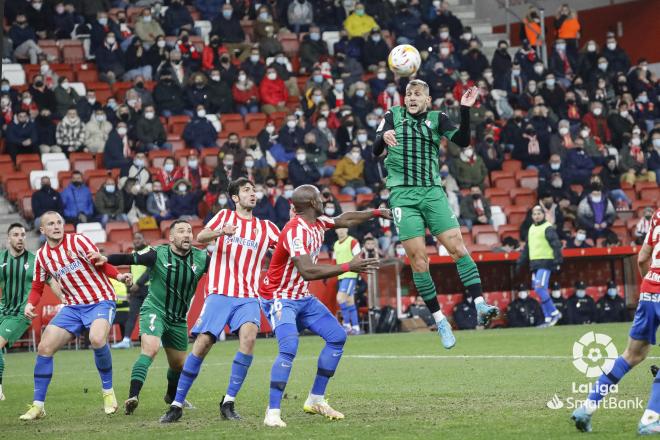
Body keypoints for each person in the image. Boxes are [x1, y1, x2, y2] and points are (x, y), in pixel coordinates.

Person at [374, 80, 498, 349]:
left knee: (457, 247)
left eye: (417, 94)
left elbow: (463, 141)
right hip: (403, 197)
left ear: (428, 100)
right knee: (419, 261)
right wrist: (382, 138)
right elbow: (374, 150)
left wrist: (465, 110)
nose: (411, 98)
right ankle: (440, 319)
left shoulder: (437, 118)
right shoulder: (391, 115)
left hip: (432, 192)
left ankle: (480, 304)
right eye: (408, 94)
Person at [260, 185, 384, 427]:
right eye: (319, 197)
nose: (323, 200)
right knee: (289, 347)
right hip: (279, 296)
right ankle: (272, 412)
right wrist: (348, 267)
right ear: (312, 204)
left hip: (301, 297)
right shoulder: (295, 231)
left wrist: (376, 213)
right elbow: (307, 270)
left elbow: (345, 218)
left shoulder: (318, 221)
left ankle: (315, 399)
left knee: (337, 336)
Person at [160, 178, 280, 422]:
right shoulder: (225, 216)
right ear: (235, 197)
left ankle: (228, 402)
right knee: (203, 344)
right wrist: (220, 232)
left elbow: (285, 249)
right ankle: (176, 403)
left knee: (249, 338)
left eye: (254, 190)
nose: (252, 193)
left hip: (247, 295)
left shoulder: (266, 227)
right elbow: (201, 236)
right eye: (246, 190)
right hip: (220, 292)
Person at [19, 212, 132, 420]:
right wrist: (30, 304)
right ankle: (38, 405)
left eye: (59, 222)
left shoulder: (78, 241)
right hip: (72, 307)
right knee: (44, 347)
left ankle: (108, 392)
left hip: (100, 299)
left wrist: (120, 276)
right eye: (51, 224)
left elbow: (101, 263)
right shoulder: (42, 256)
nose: (56, 226)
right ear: (42, 230)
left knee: (97, 339)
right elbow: (36, 287)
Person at [95, 221, 209, 415]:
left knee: (179, 365)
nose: (187, 235)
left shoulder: (202, 258)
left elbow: (226, 270)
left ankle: (171, 396)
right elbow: (128, 257)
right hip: (155, 309)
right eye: (181, 231)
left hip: (178, 318)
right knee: (151, 348)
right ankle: (133, 395)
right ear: (171, 238)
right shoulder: (157, 253)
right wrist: (105, 258)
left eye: (190, 231)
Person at [571, 208, 660, 433]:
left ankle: (586, 408)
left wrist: (652, 285)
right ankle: (651, 419)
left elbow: (642, 258)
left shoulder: (658, 213)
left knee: (632, 355)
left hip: (650, 288)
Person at [0, 224, 37, 401]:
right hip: (2, 311)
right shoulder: (1, 259)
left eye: (23, 234)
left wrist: (65, 298)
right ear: (9, 238)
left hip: (21, 314)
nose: (20, 238)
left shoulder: (34, 261)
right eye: (16, 235)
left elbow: (51, 282)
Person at [516, 206, 564, 327]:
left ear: (543, 214)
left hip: (545, 262)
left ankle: (554, 312)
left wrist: (558, 261)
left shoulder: (548, 228)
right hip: (535, 264)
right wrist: (520, 262)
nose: (536, 216)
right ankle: (547, 317)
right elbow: (527, 248)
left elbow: (556, 245)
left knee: (540, 288)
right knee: (539, 290)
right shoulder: (531, 228)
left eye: (539, 213)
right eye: (534, 214)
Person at [111, 233, 151, 349]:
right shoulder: (133, 253)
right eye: (135, 239)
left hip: (149, 288)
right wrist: (129, 289)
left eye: (139, 238)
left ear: (144, 240)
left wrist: (138, 284)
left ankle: (159, 340)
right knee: (131, 315)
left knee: (152, 315)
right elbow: (131, 272)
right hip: (135, 290)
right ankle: (126, 340)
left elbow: (150, 270)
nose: (136, 241)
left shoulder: (150, 251)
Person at [333, 228, 362, 335]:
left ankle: (346, 325)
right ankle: (356, 326)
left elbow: (358, 257)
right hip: (341, 276)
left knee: (340, 298)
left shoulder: (352, 241)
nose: (341, 231)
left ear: (347, 229)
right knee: (349, 301)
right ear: (335, 231)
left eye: (343, 228)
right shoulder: (336, 244)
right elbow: (335, 261)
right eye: (338, 228)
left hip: (350, 274)